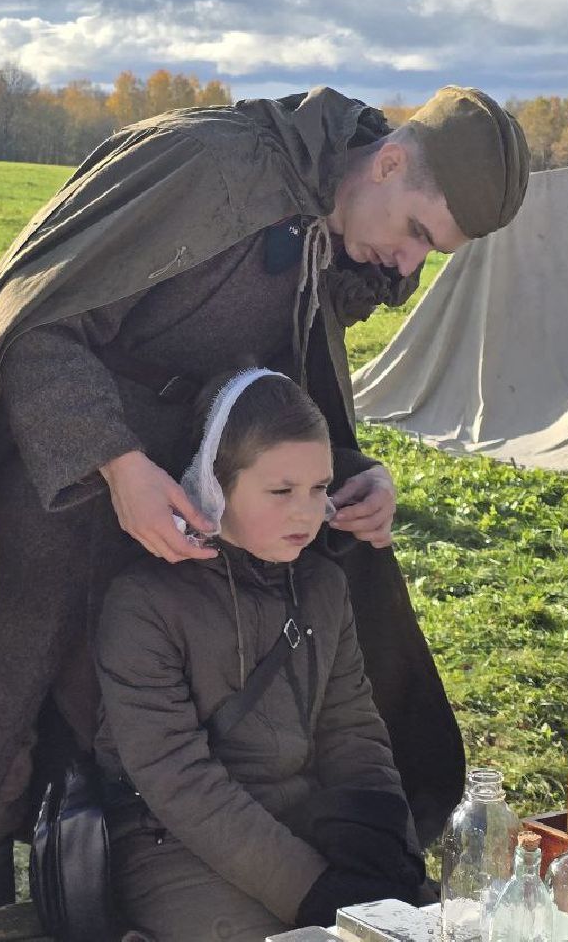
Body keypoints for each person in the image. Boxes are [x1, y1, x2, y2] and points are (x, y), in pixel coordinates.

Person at [0, 85, 530, 920]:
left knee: (109, 743)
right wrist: (117, 464)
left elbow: (267, 375)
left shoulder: (321, 217)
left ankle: (84, 906)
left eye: (432, 255)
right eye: (417, 233)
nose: (407, 265)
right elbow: (35, 325)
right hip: (48, 488)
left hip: (182, 494)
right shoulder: (211, 165)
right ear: (386, 162)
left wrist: (348, 469)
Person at [97, 368, 428, 941]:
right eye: (281, 491)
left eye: (320, 488)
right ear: (214, 486)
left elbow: (351, 725)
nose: (306, 513)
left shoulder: (324, 585)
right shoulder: (145, 605)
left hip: (305, 823)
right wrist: (313, 891)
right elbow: (177, 780)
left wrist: (381, 837)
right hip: (174, 845)